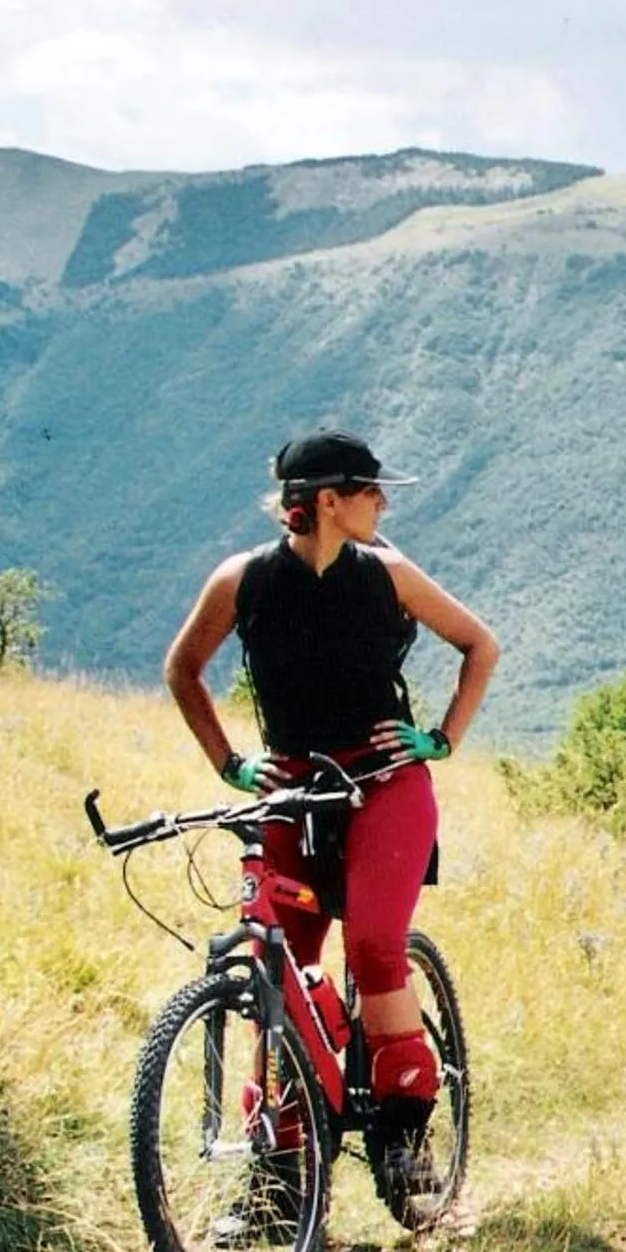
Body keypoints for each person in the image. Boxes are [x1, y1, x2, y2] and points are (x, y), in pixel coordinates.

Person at [164, 429, 498, 1199]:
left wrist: (439, 739)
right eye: (370, 490)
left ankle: (405, 1136)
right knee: (282, 966)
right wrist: (231, 763)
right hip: (292, 790)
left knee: (377, 945)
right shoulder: (241, 581)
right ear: (326, 503)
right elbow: (183, 670)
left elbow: (479, 645)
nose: (382, 502)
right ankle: (277, 1168)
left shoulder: (388, 574)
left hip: (386, 783)